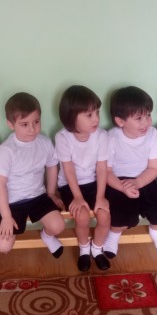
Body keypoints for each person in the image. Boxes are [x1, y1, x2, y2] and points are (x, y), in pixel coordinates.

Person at [0, 92, 66, 257]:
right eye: (24, 124)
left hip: (37, 196)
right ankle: (5, 229)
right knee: (3, 246)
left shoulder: (44, 142)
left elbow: (52, 166)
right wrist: (6, 217)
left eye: (36, 122)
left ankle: (47, 236)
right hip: (11, 202)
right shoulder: (7, 150)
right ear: (11, 124)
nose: (32, 129)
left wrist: (51, 193)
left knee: (59, 226)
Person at [103, 86, 157, 258]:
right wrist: (123, 187)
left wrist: (137, 182)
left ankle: (156, 231)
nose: (146, 122)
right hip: (119, 182)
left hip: (145, 179)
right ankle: (114, 234)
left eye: (148, 115)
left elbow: (154, 168)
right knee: (120, 212)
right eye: (138, 118)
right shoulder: (111, 137)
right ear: (121, 121)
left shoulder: (153, 134)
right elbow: (106, 171)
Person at [55, 85, 111, 272]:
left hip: (94, 183)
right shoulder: (62, 137)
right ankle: (84, 249)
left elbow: (101, 168)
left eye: (97, 112)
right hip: (70, 185)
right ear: (72, 117)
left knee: (104, 215)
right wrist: (78, 197)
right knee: (82, 216)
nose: (96, 119)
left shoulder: (101, 136)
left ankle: (97, 248)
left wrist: (100, 196)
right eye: (89, 115)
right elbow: (68, 170)